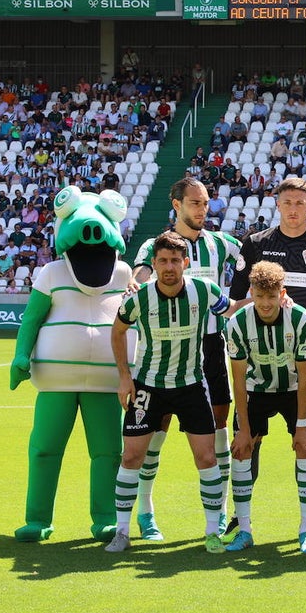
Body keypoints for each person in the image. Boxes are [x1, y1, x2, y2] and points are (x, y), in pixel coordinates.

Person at [229, 177, 306, 541]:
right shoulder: (256, 244)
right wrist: (267, 305)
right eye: (287, 202)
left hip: (303, 363)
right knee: (247, 439)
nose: (293, 209)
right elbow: (234, 302)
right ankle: (240, 516)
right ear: (277, 204)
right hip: (257, 365)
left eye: (300, 203)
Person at [104, 231, 233, 554]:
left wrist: (273, 300)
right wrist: (124, 377)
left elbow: (233, 310)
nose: (169, 267)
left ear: (185, 263)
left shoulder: (203, 290)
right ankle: (122, 530)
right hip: (148, 385)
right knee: (132, 456)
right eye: (163, 261)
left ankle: (211, 530)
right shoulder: (139, 298)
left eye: (175, 260)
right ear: (155, 264)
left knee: (206, 457)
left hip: (191, 385)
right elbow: (118, 331)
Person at [130, 178, 242, 541]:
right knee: (155, 432)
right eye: (195, 203)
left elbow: (261, 250)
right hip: (163, 352)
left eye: (206, 203)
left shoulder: (222, 243)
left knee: (219, 429)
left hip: (210, 346)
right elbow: (141, 275)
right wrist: (137, 279)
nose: (202, 210)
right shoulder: (155, 245)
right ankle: (145, 511)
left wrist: (300, 230)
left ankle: (220, 511)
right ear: (176, 204)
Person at [224, 261, 306, 553]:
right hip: (256, 390)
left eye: (272, 296)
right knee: (241, 450)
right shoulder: (238, 323)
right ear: (251, 292)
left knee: (305, 448)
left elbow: (304, 378)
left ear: (282, 292)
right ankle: (244, 528)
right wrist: (242, 428)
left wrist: (301, 428)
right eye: (260, 296)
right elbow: (238, 380)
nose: (265, 303)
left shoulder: (300, 319)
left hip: (294, 390)